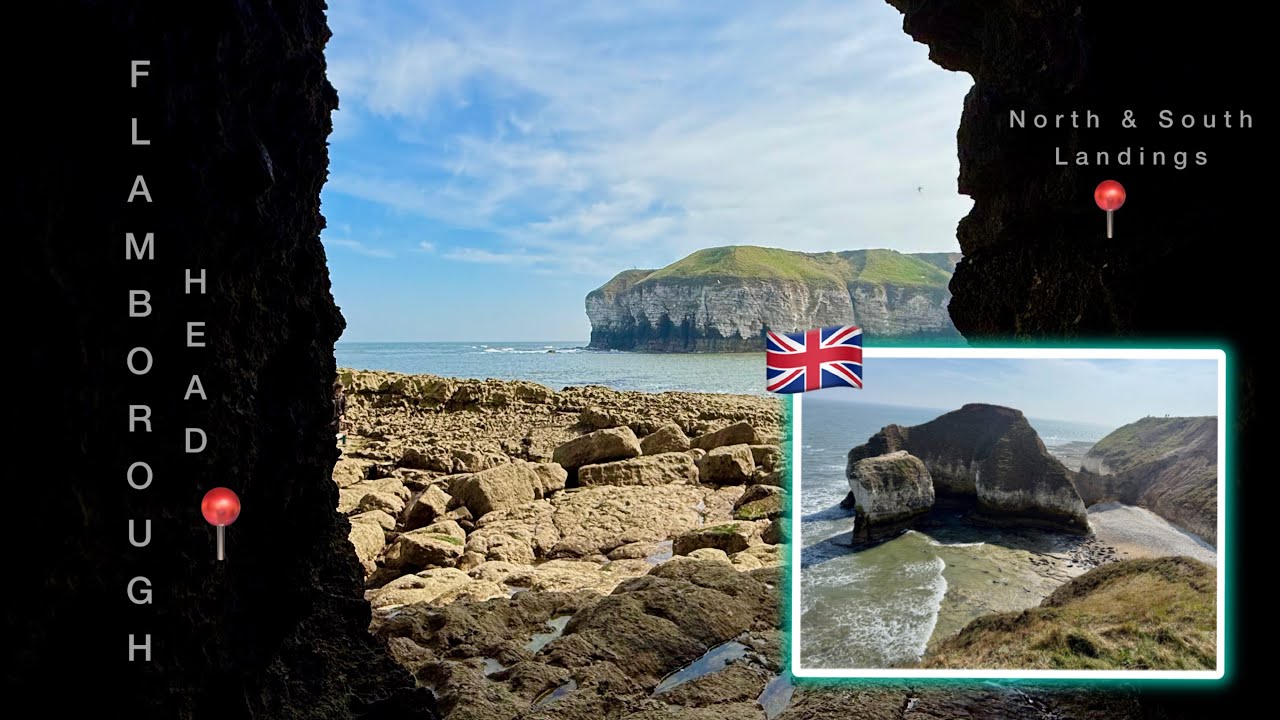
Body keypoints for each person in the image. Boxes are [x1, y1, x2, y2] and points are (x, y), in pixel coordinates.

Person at [332, 380, 347, 446]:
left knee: (337, 431)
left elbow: (344, 407)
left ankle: (343, 441)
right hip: (331, 417)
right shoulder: (330, 396)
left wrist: (343, 415)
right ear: (336, 389)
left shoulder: (342, 396)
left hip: (339, 416)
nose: (341, 391)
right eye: (340, 389)